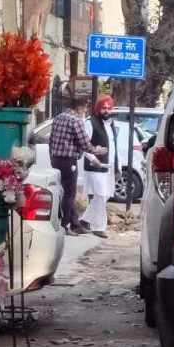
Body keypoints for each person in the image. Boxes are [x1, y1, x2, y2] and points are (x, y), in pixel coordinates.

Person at [49, 91, 106, 235]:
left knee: (63, 191)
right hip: (69, 161)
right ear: (80, 107)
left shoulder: (58, 117)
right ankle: (65, 225)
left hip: (56, 159)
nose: (85, 111)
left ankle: (75, 223)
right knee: (70, 193)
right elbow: (85, 143)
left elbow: (51, 140)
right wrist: (97, 150)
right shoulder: (76, 120)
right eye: (85, 108)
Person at [81, 95, 118, 238]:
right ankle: (98, 227)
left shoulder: (111, 124)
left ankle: (84, 220)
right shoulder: (90, 122)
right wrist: (93, 157)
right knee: (101, 195)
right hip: (95, 165)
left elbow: (113, 147)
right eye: (104, 108)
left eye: (109, 108)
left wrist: (118, 167)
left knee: (105, 195)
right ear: (98, 108)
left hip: (108, 166)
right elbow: (84, 145)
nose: (106, 110)